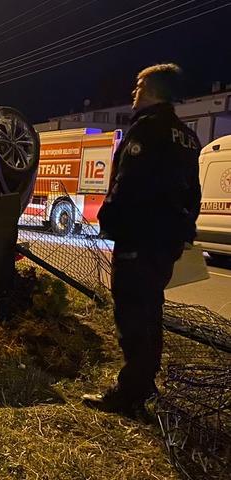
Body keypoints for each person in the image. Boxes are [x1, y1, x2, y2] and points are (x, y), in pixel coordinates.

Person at [83, 64, 201, 416]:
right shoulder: (186, 136)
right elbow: (192, 194)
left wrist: (110, 222)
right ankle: (145, 383)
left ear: (150, 89)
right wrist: (183, 232)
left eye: (138, 86)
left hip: (139, 237)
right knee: (150, 311)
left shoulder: (147, 131)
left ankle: (129, 394)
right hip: (166, 242)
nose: (134, 92)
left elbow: (128, 186)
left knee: (133, 314)